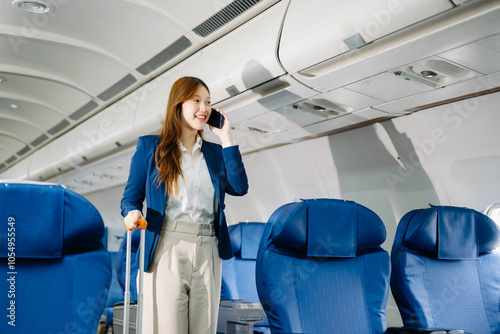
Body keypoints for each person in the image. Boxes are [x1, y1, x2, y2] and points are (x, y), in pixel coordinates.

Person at [120, 76, 248, 334]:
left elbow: (240, 187)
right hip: (166, 246)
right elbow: (131, 197)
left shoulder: (214, 153)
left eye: (208, 102)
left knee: (204, 329)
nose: (204, 108)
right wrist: (131, 212)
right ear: (178, 104)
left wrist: (226, 139)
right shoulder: (150, 147)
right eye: (196, 100)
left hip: (209, 248)